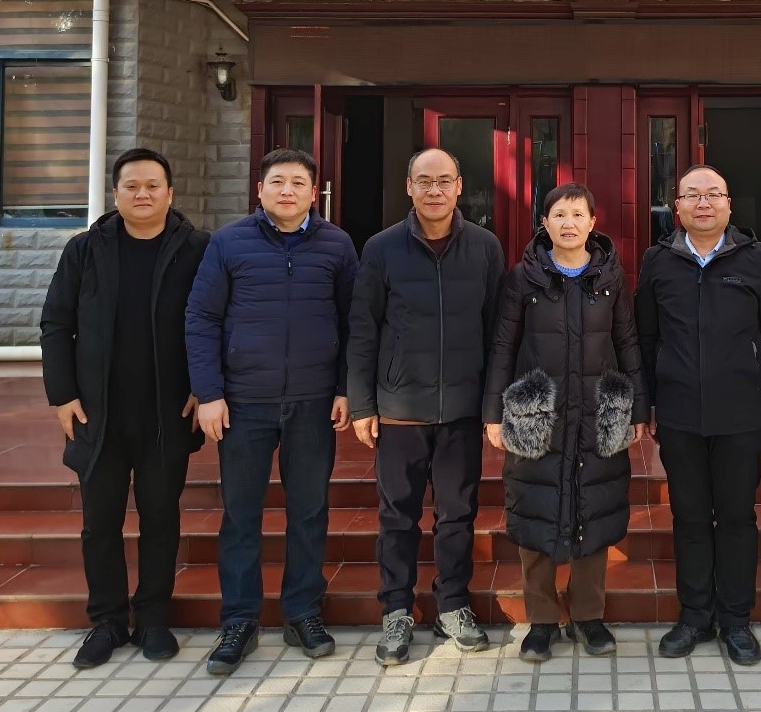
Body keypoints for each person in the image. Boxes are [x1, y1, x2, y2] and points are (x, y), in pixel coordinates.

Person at [185, 148, 358, 676]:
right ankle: (240, 619)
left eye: (298, 182)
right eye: (277, 181)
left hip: (313, 401)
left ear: (314, 192)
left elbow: (354, 322)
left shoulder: (337, 244)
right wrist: (209, 392)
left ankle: (302, 611)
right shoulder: (227, 243)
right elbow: (201, 317)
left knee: (309, 511)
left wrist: (346, 388)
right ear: (259, 190)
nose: (287, 191)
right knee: (241, 515)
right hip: (244, 403)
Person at [40, 148, 209, 668]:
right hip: (98, 414)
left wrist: (204, 385)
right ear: (115, 193)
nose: (142, 194)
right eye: (131, 186)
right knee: (100, 522)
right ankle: (108, 621)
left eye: (153, 185)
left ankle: (153, 618)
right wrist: (62, 394)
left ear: (170, 193)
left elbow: (215, 321)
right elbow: (56, 323)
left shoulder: (197, 249)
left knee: (160, 517)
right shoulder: (85, 249)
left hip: (166, 412)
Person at [348, 147, 506, 665]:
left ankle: (453, 605)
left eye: (444, 181)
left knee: (457, 514)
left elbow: (497, 333)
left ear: (459, 186)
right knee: (398, 516)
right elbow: (364, 329)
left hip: (462, 407)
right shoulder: (381, 248)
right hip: (399, 407)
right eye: (424, 181)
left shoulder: (484, 247)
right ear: (409, 187)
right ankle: (396, 609)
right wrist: (362, 403)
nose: (434, 190)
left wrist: (492, 406)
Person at [634, 164, 761, 666]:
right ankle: (695, 616)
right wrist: (646, 402)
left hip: (740, 412)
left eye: (713, 194)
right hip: (678, 412)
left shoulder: (757, 258)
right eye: (692, 195)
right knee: (689, 517)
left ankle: (736, 619)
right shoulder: (658, 261)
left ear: (728, 204)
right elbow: (644, 338)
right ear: (676, 206)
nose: (703, 203)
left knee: (737, 517)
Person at [482, 183, 648, 663]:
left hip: (598, 411)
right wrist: (493, 413)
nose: (569, 223)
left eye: (578, 214)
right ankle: (541, 621)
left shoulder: (611, 277)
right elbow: (503, 347)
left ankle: (588, 616)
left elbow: (628, 343)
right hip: (538, 411)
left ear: (593, 222)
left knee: (593, 510)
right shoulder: (523, 279)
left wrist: (639, 408)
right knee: (535, 510)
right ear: (545, 223)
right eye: (559, 214)